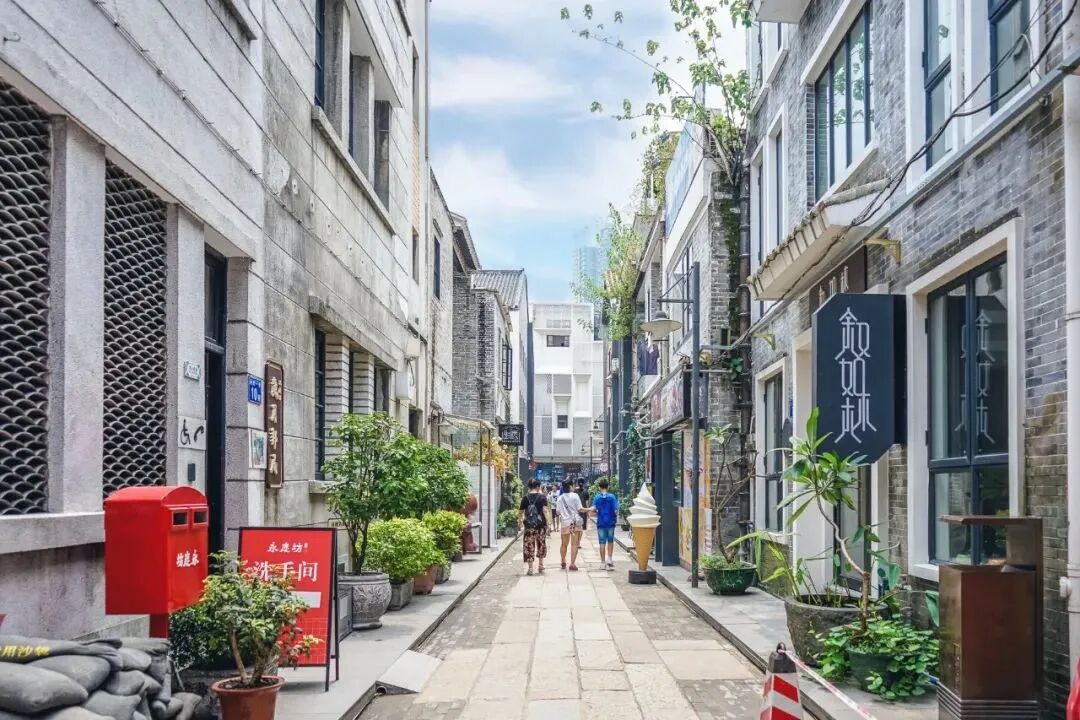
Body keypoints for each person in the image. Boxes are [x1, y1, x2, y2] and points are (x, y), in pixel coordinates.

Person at [518, 479, 548, 575]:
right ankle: (541, 566)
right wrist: (548, 523)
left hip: (529, 526)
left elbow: (520, 512)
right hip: (541, 525)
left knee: (529, 545)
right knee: (541, 544)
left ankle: (530, 568)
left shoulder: (525, 498)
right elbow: (545, 511)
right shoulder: (542, 497)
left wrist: (519, 522)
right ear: (538, 486)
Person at [588, 478, 619, 570]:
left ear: (599, 487)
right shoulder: (612, 497)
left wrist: (589, 511)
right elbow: (616, 510)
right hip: (611, 523)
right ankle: (609, 559)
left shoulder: (597, 497)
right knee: (610, 541)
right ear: (608, 487)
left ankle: (602, 563)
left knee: (602, 542)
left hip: (601, 523)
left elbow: (593, 509)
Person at [555, 479, 586, 571]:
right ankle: (572, 564)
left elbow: (557, 512)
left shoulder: (560, 498)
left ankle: (563, 560)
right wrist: (590, 509)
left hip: (565, 523)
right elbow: (580, 509)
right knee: (574, 544)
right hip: (575, 523)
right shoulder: (575, 496)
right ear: (570, 486)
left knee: (564, 544)